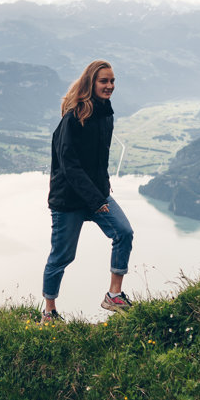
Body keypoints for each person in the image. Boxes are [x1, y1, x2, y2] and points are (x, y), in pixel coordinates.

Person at [41, 60, 134, 324]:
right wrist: (95, 199)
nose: (109, 86)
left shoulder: (106, 114)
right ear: (91, 83)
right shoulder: (73, 118)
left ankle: (114, 295)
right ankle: (49, 312)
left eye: (112, 81)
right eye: (104, 81)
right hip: (69, 199)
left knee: (124, 232)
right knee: (62, 256)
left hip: (96, 194)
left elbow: (98, 159)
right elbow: (69, 165)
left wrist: (102, 188)